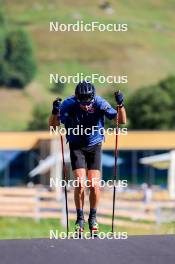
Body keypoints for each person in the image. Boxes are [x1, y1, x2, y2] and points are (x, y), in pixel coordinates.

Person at [49, 80, 127, 236]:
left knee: (94, 185)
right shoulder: (69, 104)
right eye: (82, 103)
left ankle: (93, 217)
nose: (86, 106)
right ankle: (79, 218)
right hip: (76, 145)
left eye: (88, 103)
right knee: (79, 182)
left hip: (95, 146)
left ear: (93, 97)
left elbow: (121, 120)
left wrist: (120, 105)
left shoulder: (99, 102)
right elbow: (53, 125)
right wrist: (54, 111)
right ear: (77, 98)